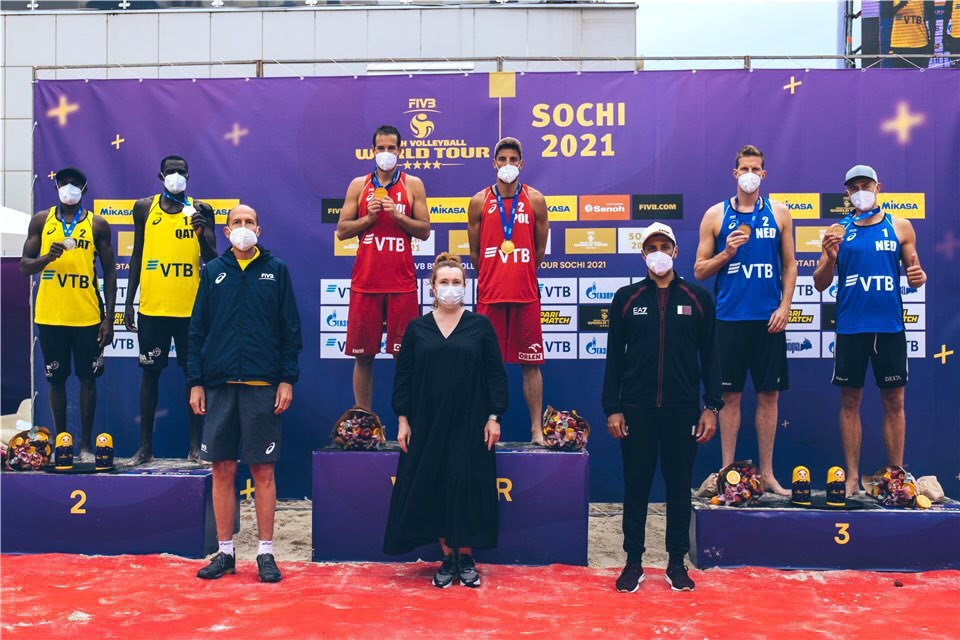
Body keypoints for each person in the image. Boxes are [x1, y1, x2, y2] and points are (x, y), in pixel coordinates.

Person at [602, 222, 722, 594]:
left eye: (664, 245)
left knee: (677, 486)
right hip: (635, 409)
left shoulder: (698, 297)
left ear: (675, 251)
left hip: (682, 409)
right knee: (635, 486)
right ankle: (633, 561)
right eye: (650, 246)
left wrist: (711, 406)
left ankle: (676, 562)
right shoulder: (626, 297)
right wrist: (613, 408)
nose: (658, 251)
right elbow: (613, 361)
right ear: (643, 254)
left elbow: (711, 357)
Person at [188, 205, 302, 583]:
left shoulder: (276, 270)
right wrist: (196, 381)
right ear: (225, 231)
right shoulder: (212, 273)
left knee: (263, 470)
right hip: (219, 386)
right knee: (222, 468)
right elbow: (196, 332)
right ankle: (225, 553)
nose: (242, 228)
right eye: (235, 223)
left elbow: (290, 331)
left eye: (248, 222)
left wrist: (287, 379)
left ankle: (266, 553)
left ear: (259, 227)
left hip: (261, 386)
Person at [384, 253, 508, 589]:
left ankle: (466, 557)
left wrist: (494, 416)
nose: (450, 288)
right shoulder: (416, 328)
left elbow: (495, 374)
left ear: (466, 287)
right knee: (436, 485)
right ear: (432, 287)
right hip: (426, 423)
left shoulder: (480, 326)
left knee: (465, 484)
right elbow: (403, 377)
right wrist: (403, 419)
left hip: (470, 423)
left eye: (456, 282)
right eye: (444, 282)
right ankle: (447, 558)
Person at [814, 165, 926, 497]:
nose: (860, 191)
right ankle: (851, 477)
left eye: (866, 185)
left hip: (889, 327)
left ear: (879, 187)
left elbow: (915, 272)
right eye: (853, 187)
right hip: (851, 328)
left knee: (895, 400)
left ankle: (896, 476)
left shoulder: (901, 226)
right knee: (850, 401)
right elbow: (820, 284)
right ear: (846, 193)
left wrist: (918, 277)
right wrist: (830, 257)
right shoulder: (837, 230)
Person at [694, 145, 796, 495]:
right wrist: (728, 252)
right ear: (735, 173)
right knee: (730, 398)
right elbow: (699, 270)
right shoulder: (715, 215)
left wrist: (785, 306)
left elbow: (791, 264)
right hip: (729, 320)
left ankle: (767, 474)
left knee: (769, 398)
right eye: (744, 168)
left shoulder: (780, 212)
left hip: (768, 321)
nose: (750, 174)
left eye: (756, 168)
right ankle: (727, 474)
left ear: (763, 175)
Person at [124, 155, 218, 465]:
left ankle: (195, 448)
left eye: (181, 171)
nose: (176, 176)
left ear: (189, 175)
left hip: (190, 311)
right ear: (160, 175)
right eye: (170, 171)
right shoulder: (143, 207)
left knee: (194, 379)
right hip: (153, 308)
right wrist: (128, 302)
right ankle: (145, 448)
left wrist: (201, 232)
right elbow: (137, 255)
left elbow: (212, 258)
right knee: (149, 376)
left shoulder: (201, 210)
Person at [20, 167, 116, 462]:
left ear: (84, 190)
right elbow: (24, 266)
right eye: (64, 183)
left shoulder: (97, 224)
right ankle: (61, 441)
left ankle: (86, 445)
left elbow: (111, 271)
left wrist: (109, 317)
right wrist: (47, 258)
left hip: (86, 316)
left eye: (76, 184)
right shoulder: (41, 220)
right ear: (57, 186)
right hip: (51, 316)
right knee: (55, 380)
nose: (69, 188)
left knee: (88, 379)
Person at [336, 125, 430, 410]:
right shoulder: (359, 185)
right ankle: (364, 416)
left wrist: (398, 216)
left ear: (399, 152)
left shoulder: (413, 184)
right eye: (381, 148)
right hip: (367, 282)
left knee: (406, 356)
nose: (386, 153)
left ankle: (407, 418)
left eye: (392, 148)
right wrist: (368, 219)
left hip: (401, 283)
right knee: (363, 356)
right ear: (373, 151)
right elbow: (342, 230)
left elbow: (424, 230)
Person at [467, 137, 549, 443]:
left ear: (522, 164)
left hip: (525, 294)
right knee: (484, 365)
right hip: (490, 295)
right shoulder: (478, 201)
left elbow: (538, 250)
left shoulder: (536, 200)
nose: (507, 165)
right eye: (502, 159)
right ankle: (484, 425)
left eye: (513, 159)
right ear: (494, 164)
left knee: (532, 364)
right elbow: (475, 254)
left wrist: (518, 269)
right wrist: (496, 273)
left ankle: (536, 429)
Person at [883, 0, 935, 68]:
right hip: (899, 44)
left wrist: (932, 42)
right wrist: (901, 4)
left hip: (920, 43)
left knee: (920, 76)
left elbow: (932, 17)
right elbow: (886, 13)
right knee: (902, 76)